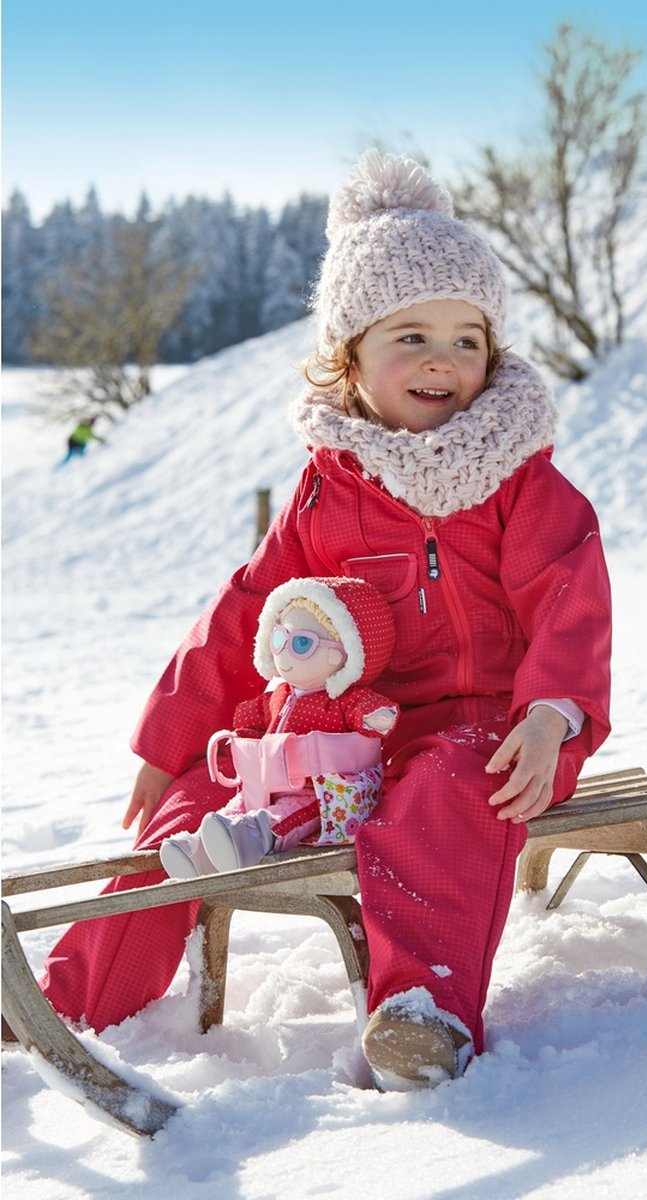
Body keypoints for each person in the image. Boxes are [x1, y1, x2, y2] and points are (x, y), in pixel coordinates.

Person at [38, 151, 612, 1091]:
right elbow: (243, 612)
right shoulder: (328, 487)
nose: (444, 358)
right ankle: (68, 998)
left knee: (444, 797)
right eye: (412, 335)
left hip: (495, 733)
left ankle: (418, 1014)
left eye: (469, 340)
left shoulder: (521, 482)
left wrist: (553, 713)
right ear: (349, 357)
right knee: (192, 807)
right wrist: (168, 737)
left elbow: (571, 598)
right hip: (337, 735)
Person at [159, 576, 399, 877]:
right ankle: (197, 851)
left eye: (301, 644)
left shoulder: (341, 701)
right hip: (264, 785)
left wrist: (376, 718)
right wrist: (247, 739)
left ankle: (249, 839)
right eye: (278, 640)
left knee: (284, 818)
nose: (284, 654)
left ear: (344, 653)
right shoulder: (278, 697)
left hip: (320, 794)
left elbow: (369, 713)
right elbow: (252, 718)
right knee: (234, 811)